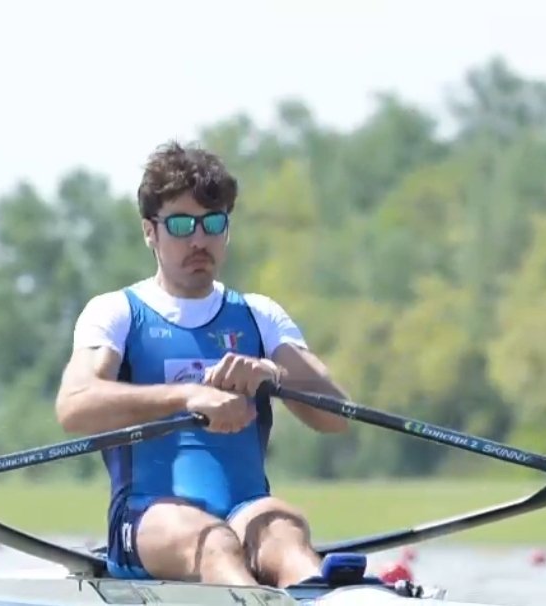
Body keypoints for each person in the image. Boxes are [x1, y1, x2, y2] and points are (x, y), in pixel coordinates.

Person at [55, 141, 350, 588]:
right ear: (149, 232)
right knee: (214, 544)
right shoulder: (115, 312)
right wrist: (189, 394)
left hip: (246, 508)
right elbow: (74, 407)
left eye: (213, 223)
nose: (199, 240)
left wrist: (275, 377)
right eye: (180, 224)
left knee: (287, 535)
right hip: (148, 517)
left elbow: (336, 416)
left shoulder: (259, 315)